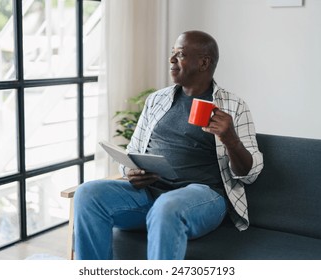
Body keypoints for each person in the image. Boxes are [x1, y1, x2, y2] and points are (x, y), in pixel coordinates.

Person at [74, 30, 263, 260]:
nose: (172, 60)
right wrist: (131, 171)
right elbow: (133, 151)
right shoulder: (157, 100)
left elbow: (249, 174)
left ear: (204, 63)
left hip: (202, 197)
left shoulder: (234, 106)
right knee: (88, 194)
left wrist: (230, 138)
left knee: (167, 206)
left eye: (180, 54)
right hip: (148, 194)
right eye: (172, 53)